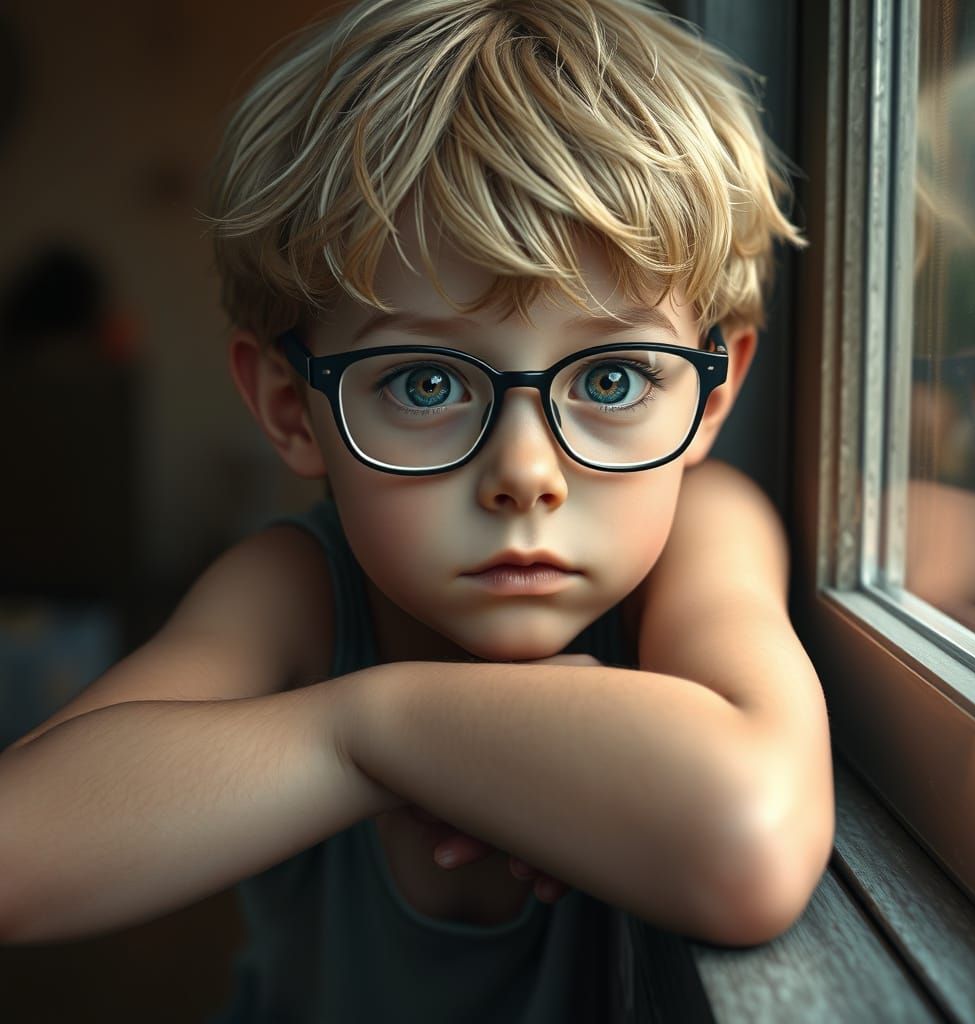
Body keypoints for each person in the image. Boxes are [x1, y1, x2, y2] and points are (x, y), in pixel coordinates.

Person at [0, 1, 834, 1020]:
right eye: (427, 385)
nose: (526, 474)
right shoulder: (300, 592)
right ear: (288, 406)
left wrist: (394, 730)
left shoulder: (706, 529)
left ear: (709, 393)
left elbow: (748, 838)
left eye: (613, 380)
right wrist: (367, 735)